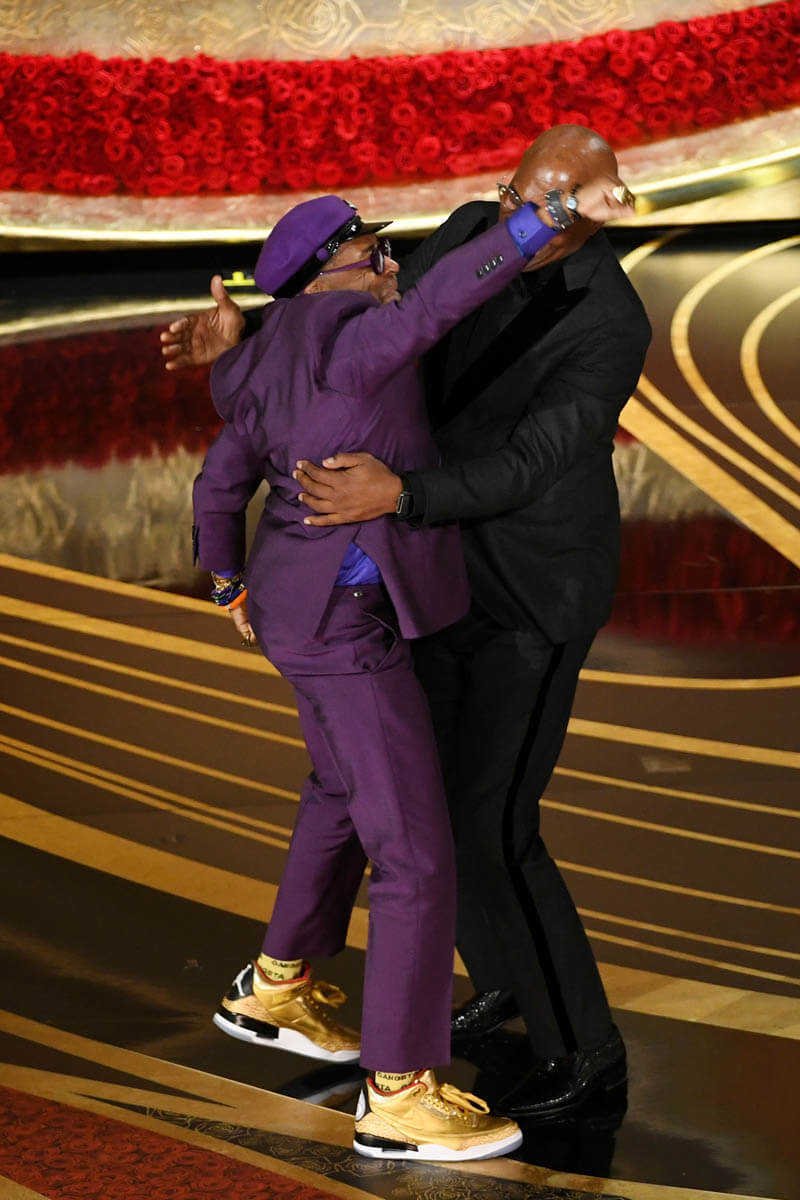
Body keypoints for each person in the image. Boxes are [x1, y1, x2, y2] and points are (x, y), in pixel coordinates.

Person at [181, 179, 635, 1157]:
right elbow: (447, 295)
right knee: (417, 858)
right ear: (324, 279)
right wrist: (544, 220)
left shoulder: (257, 358)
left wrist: (226, 582)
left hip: (292, 606)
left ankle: (277, 985)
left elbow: (217, 484)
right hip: (348, 631)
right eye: (372, 254)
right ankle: (397, 1094)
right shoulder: (358, 338)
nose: (393, 266)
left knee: (336, 793)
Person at [287, 126, 652, 1120]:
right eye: (516, 199)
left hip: (531, 592)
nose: (527, 223)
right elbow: (394, 335)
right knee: (435, 810)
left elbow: (530, 464)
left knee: (495, 825)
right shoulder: (466, 229)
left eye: (555, 211)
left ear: (598, 211)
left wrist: (398, 494)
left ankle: (584, 1048)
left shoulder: (610, 322)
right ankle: (502, 987)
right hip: (436, 571)